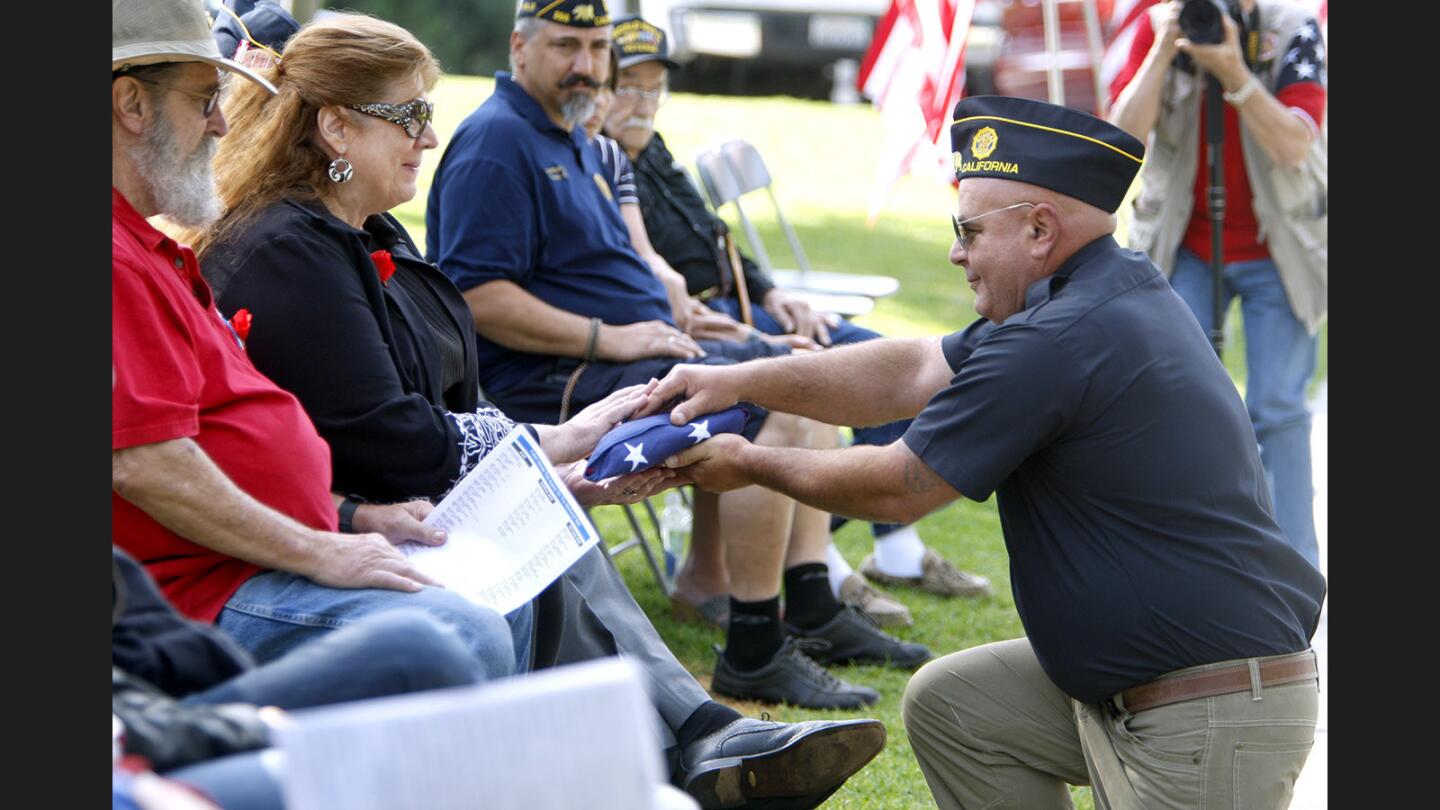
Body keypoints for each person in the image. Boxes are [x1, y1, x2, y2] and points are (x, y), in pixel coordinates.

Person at [191, 13, 888, 809]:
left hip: (389, 500)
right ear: (336, 127)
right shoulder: (288, 249)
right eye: (409, 116)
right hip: (324, 529)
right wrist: (552, 442)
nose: (427, 136)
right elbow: (387, 440)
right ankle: (690, 738)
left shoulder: (358, 230)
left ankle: (695, 735)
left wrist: (547, 461)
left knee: (552, 518)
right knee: (526, 546)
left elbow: (434, 399)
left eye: (429, 112)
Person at [643, 95, 1327, 808]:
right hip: (1149, 686)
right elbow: (906, 371)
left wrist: (746, 461)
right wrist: (732, 380)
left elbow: (896, 485)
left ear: (1039, 229)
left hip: (1208, 708)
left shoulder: (1056, 339)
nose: (955, 251)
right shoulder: (1093, 293)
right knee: (956, 704)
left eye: (967, 230)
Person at [426, 0, 931, 710]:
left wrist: (673, 314)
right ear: (519, 47)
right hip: (552, 386)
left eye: (597, 49)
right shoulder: (496, 143)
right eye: (566, 46)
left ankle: (810, 603)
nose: (585, 67)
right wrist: (613, 337)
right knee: (770, 405)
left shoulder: (569, 134)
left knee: (798, 379)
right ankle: (754, 651)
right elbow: (478, 297)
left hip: (631, 356)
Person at [112, 0, 525, 699]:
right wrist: (320, 548)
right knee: (462, 633)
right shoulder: (122, 258)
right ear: (130, 103)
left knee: (504, 587)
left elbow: (224, 442)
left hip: (256, 562)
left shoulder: (147, 248)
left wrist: (350, 517)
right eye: (205, 98)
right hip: (201, 594)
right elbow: (144, 463)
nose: (221, 120)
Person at [604, 15, 993, 624]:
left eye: (654, 90)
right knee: (807, 380)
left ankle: (894, 550)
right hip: (705, 321)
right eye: (629, 88)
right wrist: (735, 322)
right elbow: (633, 278)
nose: (642, 104)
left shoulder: (650, 152)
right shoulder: (603, 167)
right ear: (601, 90)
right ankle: (825, 567)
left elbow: (715, 235)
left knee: (886, 360)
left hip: (742, 301)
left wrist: (775, 293)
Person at [1108, 0, 1326, 569]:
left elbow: (1295, 145)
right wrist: (1160, 52)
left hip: (1279, 249)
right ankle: (1191, 564)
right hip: (1185, 244)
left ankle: (1296, 575)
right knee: (1178, 403)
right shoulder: (1164, 27)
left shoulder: (1290, 30)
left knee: (1278, 408)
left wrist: (1235, 73)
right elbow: (1119, 143)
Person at [113, 546, 488, 810]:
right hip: (131, 754)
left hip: (148, 710)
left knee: (417, 646)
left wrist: (352, 513)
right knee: (464, 624)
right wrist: (254, 728)